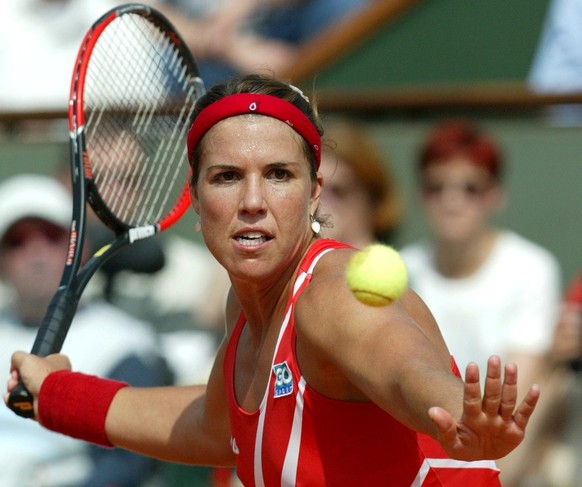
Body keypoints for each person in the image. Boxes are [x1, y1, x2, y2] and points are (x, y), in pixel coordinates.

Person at [5, 74, 540, 486]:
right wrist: (57, 394)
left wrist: (456, 414)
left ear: (313, 193)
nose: (254, 202)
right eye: (227, 177)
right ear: (196, 199)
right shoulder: (246, 308)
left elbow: (405, 369)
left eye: (279, 175)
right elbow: (213, 428)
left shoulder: (334, 295)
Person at [399, 118, 562, 486]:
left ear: (495, 195)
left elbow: (515, 401)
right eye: (436, 187)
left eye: (470, 188)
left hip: (503, 455)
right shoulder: (403, 270)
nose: (452, 200)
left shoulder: (532, 269)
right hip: (423, 449)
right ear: (421, 195)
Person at [0, 174, 170, 487]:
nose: (36, 254)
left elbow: (125, 462)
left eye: (52, 236)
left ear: (81, 247)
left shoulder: (124, 343)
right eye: (18, 241)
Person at [147, 0, 370, 87]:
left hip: (286, 23)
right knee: (171, 65)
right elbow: (149, 12)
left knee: (344, 7)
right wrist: (234, 49)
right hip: (211, 53)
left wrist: (243, 6)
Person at [318, 116, 402, 247]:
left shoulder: (404, 265)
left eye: (337, 191)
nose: (321, 206)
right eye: (313, 191)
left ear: (372, 195)